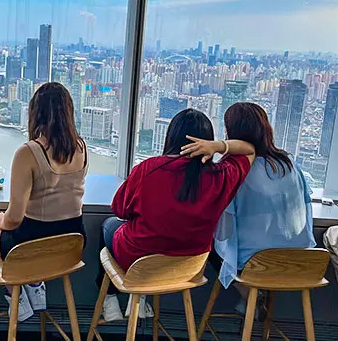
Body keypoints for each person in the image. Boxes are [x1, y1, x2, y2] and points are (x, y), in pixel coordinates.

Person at [97, 108, 255, 322]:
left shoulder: (148, 169)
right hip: (189, 267)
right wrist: (218, 147)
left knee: (109, 225)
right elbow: (249, 151)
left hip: (138, 261)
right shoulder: (221, 177)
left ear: (171, 137)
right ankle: (141, 300)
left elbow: (120, 210)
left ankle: (111, 302)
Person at [0, 82, 88, 322]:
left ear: (35, 113)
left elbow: (14, 219)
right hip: (70, 247)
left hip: (29, 249)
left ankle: (15, 295)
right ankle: (35, 286)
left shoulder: (29, 152)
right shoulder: (82, 147)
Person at [212, 102, 315, 315]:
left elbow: (224, 227)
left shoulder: (238, 170)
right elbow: (305, 207)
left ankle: (247, 294)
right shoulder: (290, 164)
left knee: (210, 247)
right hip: (300, 261)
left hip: (256, 264)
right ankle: (255, 300)